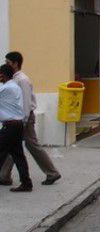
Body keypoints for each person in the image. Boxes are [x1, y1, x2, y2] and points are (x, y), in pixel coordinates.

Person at [1, 52, 60, 187]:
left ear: (15, 63)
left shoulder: (22, 80)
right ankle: (4, 176)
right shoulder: (13, 79)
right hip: (18, 119)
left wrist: (23, 121)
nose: (6, 64)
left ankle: (52, 172)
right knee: (13, 146)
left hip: (23, 119)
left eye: (8, 62)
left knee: (30, 145)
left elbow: (26, 102)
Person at [0, 63, 33, 192]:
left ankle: (26, 183)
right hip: (17, 125)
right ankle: (26, 183)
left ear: (4, 74)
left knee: (2, 152)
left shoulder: (7, 88)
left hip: (10, 126)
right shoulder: (14, 87)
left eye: (0, 74)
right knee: (18, 155)